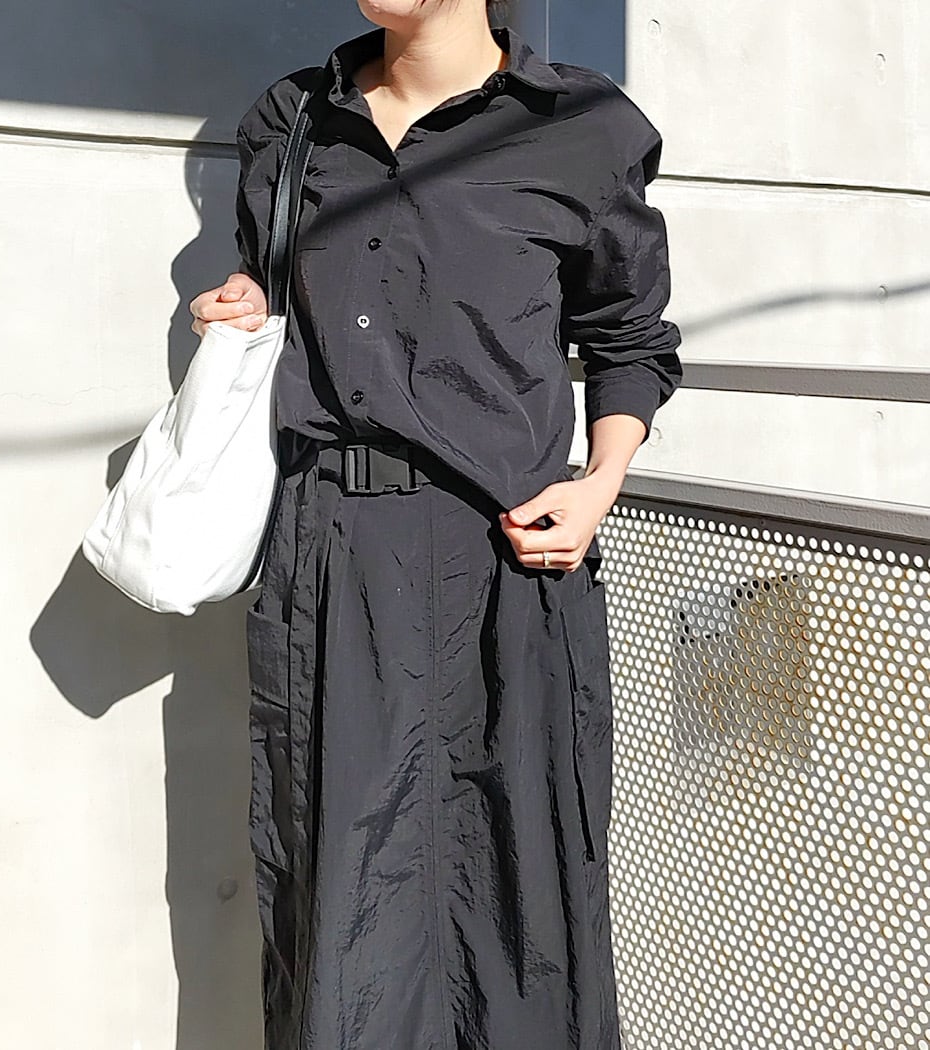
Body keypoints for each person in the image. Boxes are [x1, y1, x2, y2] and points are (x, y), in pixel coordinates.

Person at [189, 2, 683, 1047]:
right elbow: (276, 292)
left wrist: (600, 482)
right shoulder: (293, 120)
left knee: (520, 892)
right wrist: (244, 304)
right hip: (335, 558)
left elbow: (629, 337)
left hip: (506, 559)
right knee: (339, 894)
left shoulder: (581, 126)